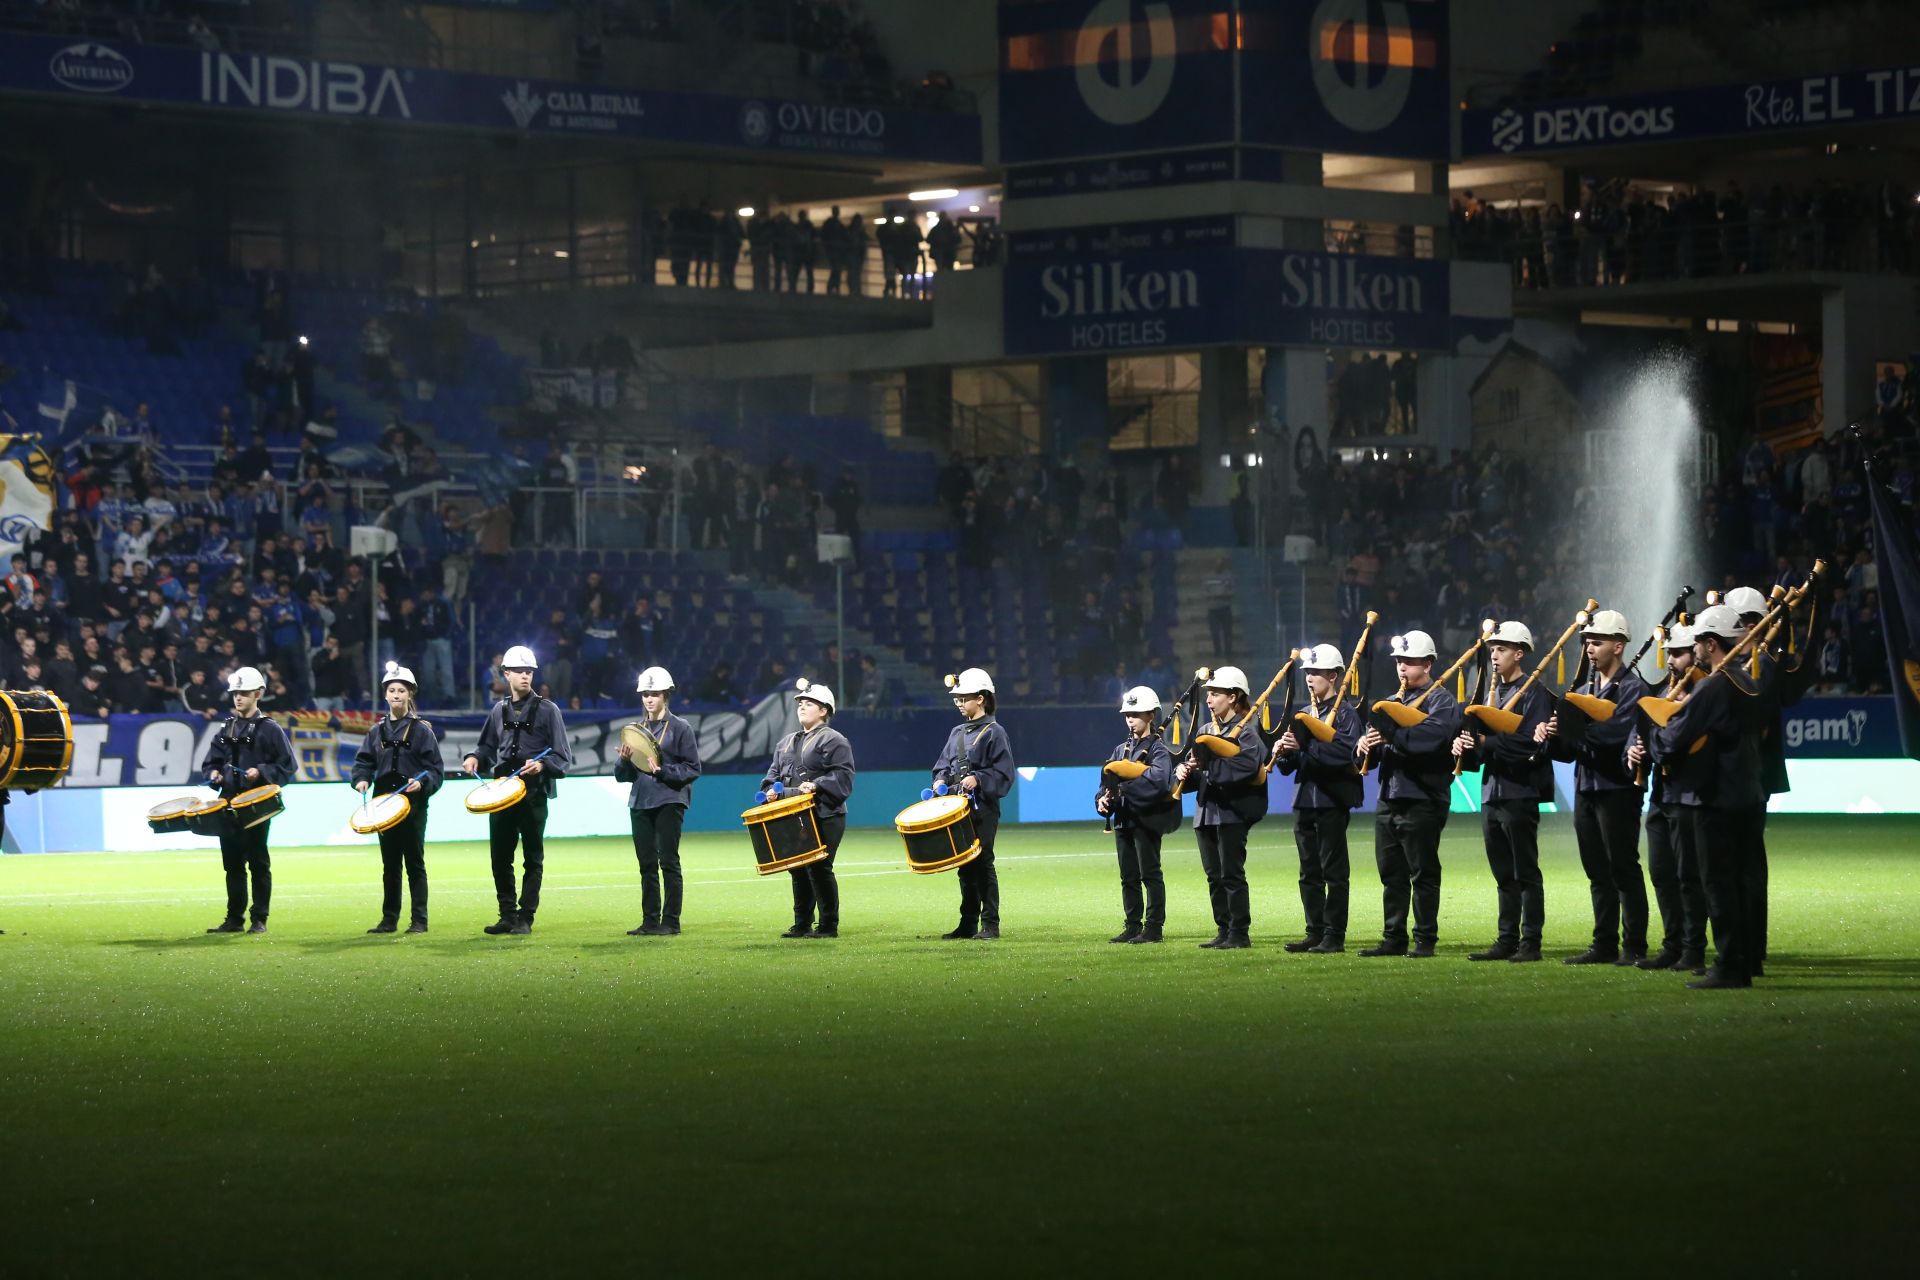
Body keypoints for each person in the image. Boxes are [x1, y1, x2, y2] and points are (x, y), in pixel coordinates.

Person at [1650, 606, 1764, 989]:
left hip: (1715, 798)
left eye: (1698, 642)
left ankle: (1729, 964)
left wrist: (1654, 734)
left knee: (1718, 884)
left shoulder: (1713, 685)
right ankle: (1746, 960)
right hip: (1748, 794)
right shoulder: (1748, 680)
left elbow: (1673, 737)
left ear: (1710, 643)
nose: (1695, 649)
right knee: (1741, 882)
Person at [1541, 609, 1651, 965]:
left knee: (1622, 866)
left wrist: (1576, 727)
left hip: (1617, 788)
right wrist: (1555, 735)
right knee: (1596, 870)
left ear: (1618, 647)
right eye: (1587, 641)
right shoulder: (1584, 689)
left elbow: (1615, 733)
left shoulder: (1633, 688)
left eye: (1597, 641)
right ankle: (1604, 943)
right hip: (1586, 787)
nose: (1589, 647)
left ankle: (1634, 944)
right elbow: (1570, 751)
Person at [1354, 630, 1460, 957]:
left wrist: (1390, 736)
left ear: (1428, 664)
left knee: (1423, 872)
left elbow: (1430, 740)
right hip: (1390, 794)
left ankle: (1425, 938)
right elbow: (1386, 745)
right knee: (1392, 873)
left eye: (1409, 661)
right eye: (1399, 661)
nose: (1402, 667)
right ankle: (1394, 937)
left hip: (1424, 797)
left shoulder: (1442, 700)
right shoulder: (1393, 702)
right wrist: (1364, 747)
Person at [1452, 622, 1554, 963]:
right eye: (1493, 649)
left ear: (1519, 653)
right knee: (1502, 873)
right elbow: (1482, 751)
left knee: (1525, 870)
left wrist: (1486, 741)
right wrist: (1467, 745)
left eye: (1502, 649)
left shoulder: (1534, 693)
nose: (1494, 655)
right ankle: (1507, 938)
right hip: (1491, 792)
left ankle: (1531, 942)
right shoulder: (1489, 694)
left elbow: (1530, 742)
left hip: (1520, 791)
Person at [462, 645, 572, 936]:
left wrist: (542, 766)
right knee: (500, 857)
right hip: (500, 793)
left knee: (532, 857)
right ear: (506, 674)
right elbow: (486, 746)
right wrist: (475, 757)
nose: (525, 676)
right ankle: (507, 915)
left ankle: (526, 916)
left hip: (533, 793)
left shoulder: (549, 710)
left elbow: (562, 756)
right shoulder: (498, 710)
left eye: (529, 671)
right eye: (520, 671)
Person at [1626, 623, 1708, 972]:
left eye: (1678, 654)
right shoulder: (1663, 690)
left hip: (1689, 793)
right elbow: (1638, 728)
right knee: (1661, 872)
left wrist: (1655, 745)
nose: (1672, 661)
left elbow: (1676, 741)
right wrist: (1632, 750)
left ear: (1695, 655)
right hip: (1661, 794)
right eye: (1671, 653)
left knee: (1689, 876)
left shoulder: (1704, 693)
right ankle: (1673, 945)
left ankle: (1694, 948)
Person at [1270, 644, 1362, 953]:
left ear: (1334, 676)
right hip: (1304, 799)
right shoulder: (1305, 714)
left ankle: (1334, 934)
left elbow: (1346, 753)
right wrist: (1283, 754)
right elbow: (1290, 766)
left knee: (1333, 871)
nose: (1310, 678)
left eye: (1316, 673)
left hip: (1331, 799)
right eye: (1308, 673)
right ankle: (1315, 930)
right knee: (1308, 871)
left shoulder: (1346, 714)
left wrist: (1306, 748)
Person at [1173, 665, 1269, 950]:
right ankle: (1223, 928)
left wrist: (1206, 769)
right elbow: (1197, 773)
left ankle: (1239, 932)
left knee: (1231, 874)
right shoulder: (1204, 730)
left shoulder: (1248, 730)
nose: (1209, 698)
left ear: (1234, 697)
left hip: (1231, 813)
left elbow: (1247, 768)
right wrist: (1184, 773)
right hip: (1205, 813)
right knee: (1214, 876)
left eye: (1215, 693)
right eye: (1209, 693)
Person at [350, 662, 443, 935]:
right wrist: (361, 779)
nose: (396, 695)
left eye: (401, 690)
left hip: (412, 804)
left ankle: (419, 920)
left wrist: (422, 783)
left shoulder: (422, 730)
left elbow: (435, 770)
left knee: (414, 862)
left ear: (410, 694)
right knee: (390, 864)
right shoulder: (375, 731)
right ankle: (389, 919)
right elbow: (363, 762)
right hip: (383, 803)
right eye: (391, 690)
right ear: (386, 694)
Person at [202, 666, 295, 935]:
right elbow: (210, 763)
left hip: (257, 805)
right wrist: (214, 774)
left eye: (243, 693)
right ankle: (234, 919)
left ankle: (259, 919)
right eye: (235, 693)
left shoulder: (271, 729)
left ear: (258, 694)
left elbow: (288, 767)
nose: (238, 698)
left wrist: (262, 772)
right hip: (228, 802)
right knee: (231, 864)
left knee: (257, 862)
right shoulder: (225, 728)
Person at [758, 681, 854, 939]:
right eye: (800, 703)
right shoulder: (786, 742)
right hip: (795, 814)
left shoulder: (834, 740)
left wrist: (818, 784)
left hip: (825, 813)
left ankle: (827, 925)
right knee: (798, 867)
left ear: (824, 710)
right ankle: (801, 923)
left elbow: (844, 779)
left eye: (808, 703)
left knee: (820, 867)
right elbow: (773, 773)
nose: (801, 706)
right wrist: (768, 788)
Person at [616, 666, 703, 936]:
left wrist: (662, 771)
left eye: (654, 694)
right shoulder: (636, 729)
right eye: (645, 694)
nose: (649, 699)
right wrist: (623, 760)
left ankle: (671, 922)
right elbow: (622, 776)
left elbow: (693, 769)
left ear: (666, 696)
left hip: (669, 800)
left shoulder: (680, 727)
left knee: (668, 862)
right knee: (646, 865)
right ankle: (650, 921)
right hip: (640, 801)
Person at [931, 668, 1014, 940]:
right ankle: (967, 924)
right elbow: (942, 765)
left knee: (983, 863)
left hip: (982, 809)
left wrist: (978, 778)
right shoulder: (956, 732)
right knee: (964, 866)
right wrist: (939, 779)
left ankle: (990, 924)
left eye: (963, 698)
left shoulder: (995, 732)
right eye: (957, 699)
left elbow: (1004, 774)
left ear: (981, 698)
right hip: (956, 807)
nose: (959, 704)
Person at [1097, 686, 1179, 944]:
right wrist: (1102, 800)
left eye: (1136, 714)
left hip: (1146, 821)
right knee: (1128, 877)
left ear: (1151, 716)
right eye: (1127, 714)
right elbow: (1105, 781)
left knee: (1150, 874)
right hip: (1123, 820)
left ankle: (1153, 928)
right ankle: (1132, 925)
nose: (1130, 719)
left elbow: (1159, 783)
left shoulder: (1158, 750)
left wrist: (1123, 790)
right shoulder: (1120, 749)